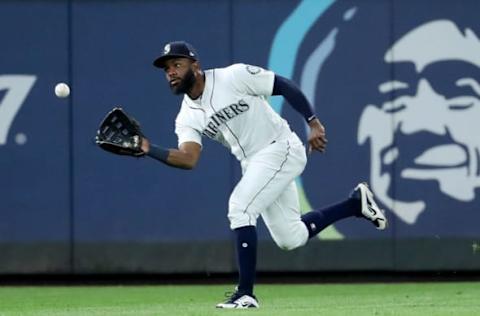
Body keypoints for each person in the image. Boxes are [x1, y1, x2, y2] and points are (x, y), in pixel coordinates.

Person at [143, 41, 387, 309]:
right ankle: (355, 203)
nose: (171, 72)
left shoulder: (232, 76)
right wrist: (146, 148)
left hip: (280, 147)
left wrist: (313, 121)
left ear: (195, 66)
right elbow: (188, 158)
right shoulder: (186, 116)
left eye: (177, 65)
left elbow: (282, 84)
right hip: (253, 163)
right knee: (290, 237)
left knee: (239, 208)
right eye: (167, 69)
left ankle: (245, 293)